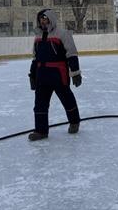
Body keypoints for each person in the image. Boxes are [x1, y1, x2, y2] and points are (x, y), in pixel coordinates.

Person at [27, 9, 82, 141]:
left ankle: (74, 122)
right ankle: (41, 131)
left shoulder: (62, 34)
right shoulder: (38, 36)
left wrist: (75, 73)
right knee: (40, 104)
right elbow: (35, 58)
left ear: (51, 19)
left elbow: (72, 54)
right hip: (42, 76)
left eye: (45, 18)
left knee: (67, 100)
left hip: (58, 75)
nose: (42, 20)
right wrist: (32, 75)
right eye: (40, 18)